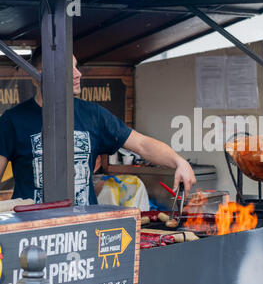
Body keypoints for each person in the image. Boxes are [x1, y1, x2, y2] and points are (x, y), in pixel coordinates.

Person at [0, 49, 196, 206]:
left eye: (76, 67)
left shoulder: (93, 114)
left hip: (85, 232)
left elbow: (142, 144)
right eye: (69, 69)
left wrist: (178, 161)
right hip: (32, 236)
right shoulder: (13, 120)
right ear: (40, 75)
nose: (79, 74)